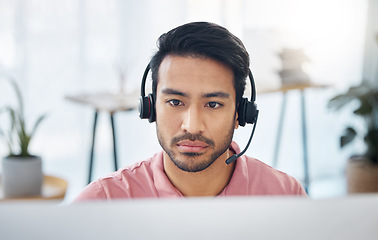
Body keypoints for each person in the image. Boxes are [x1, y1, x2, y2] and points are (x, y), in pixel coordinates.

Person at [74, 22, 307, 201]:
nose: (192, 126)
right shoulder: (103, 201)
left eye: (213, 104)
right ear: (150, 108)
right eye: (175, 102)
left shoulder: (285, 196)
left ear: (240, 113)